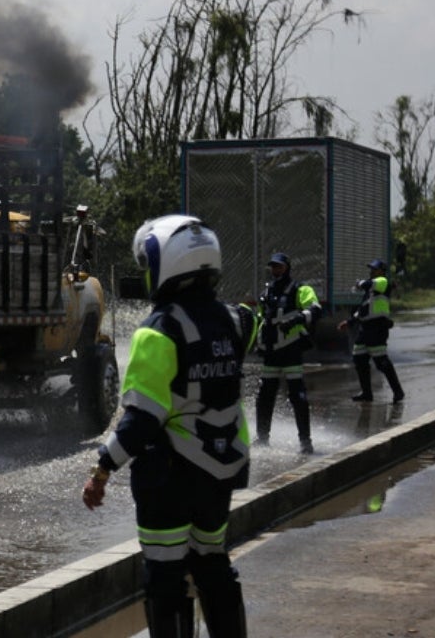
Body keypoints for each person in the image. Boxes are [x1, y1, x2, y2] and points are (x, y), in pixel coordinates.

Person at [82, 214, 258, 638]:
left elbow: (141, 420)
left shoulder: (156, 333)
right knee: (213, 564)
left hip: (169, 478)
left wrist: (102, 469)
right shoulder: (236, 322)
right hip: (220, 473)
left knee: (165, 578)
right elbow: (254, 323)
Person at [254, 252, 322, 454]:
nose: (276, 270)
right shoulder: (267, 292)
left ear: (287, 267)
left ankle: (305, 442)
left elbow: (316, 309)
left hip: (291, 349)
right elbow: (261, 319)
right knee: (265, 396)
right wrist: (257, 342)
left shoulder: (301, 289)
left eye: (279, 266)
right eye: (273, 267)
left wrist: (297, 319)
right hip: (270, 351)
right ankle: (263, 438)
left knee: (298, 396)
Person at [339, 259, 404, 402]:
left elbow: (369, 284)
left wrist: (360, 283)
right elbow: (362, 309)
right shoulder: (370, 292)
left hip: (378, 327)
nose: (371, 271)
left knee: (381, 362)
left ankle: (398, 391)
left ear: (382, 271)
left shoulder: (383, 282)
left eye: (374, 269)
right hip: (365, 328)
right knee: (359, 358)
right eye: (371, 269)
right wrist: (349, 322)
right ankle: (367, 393)